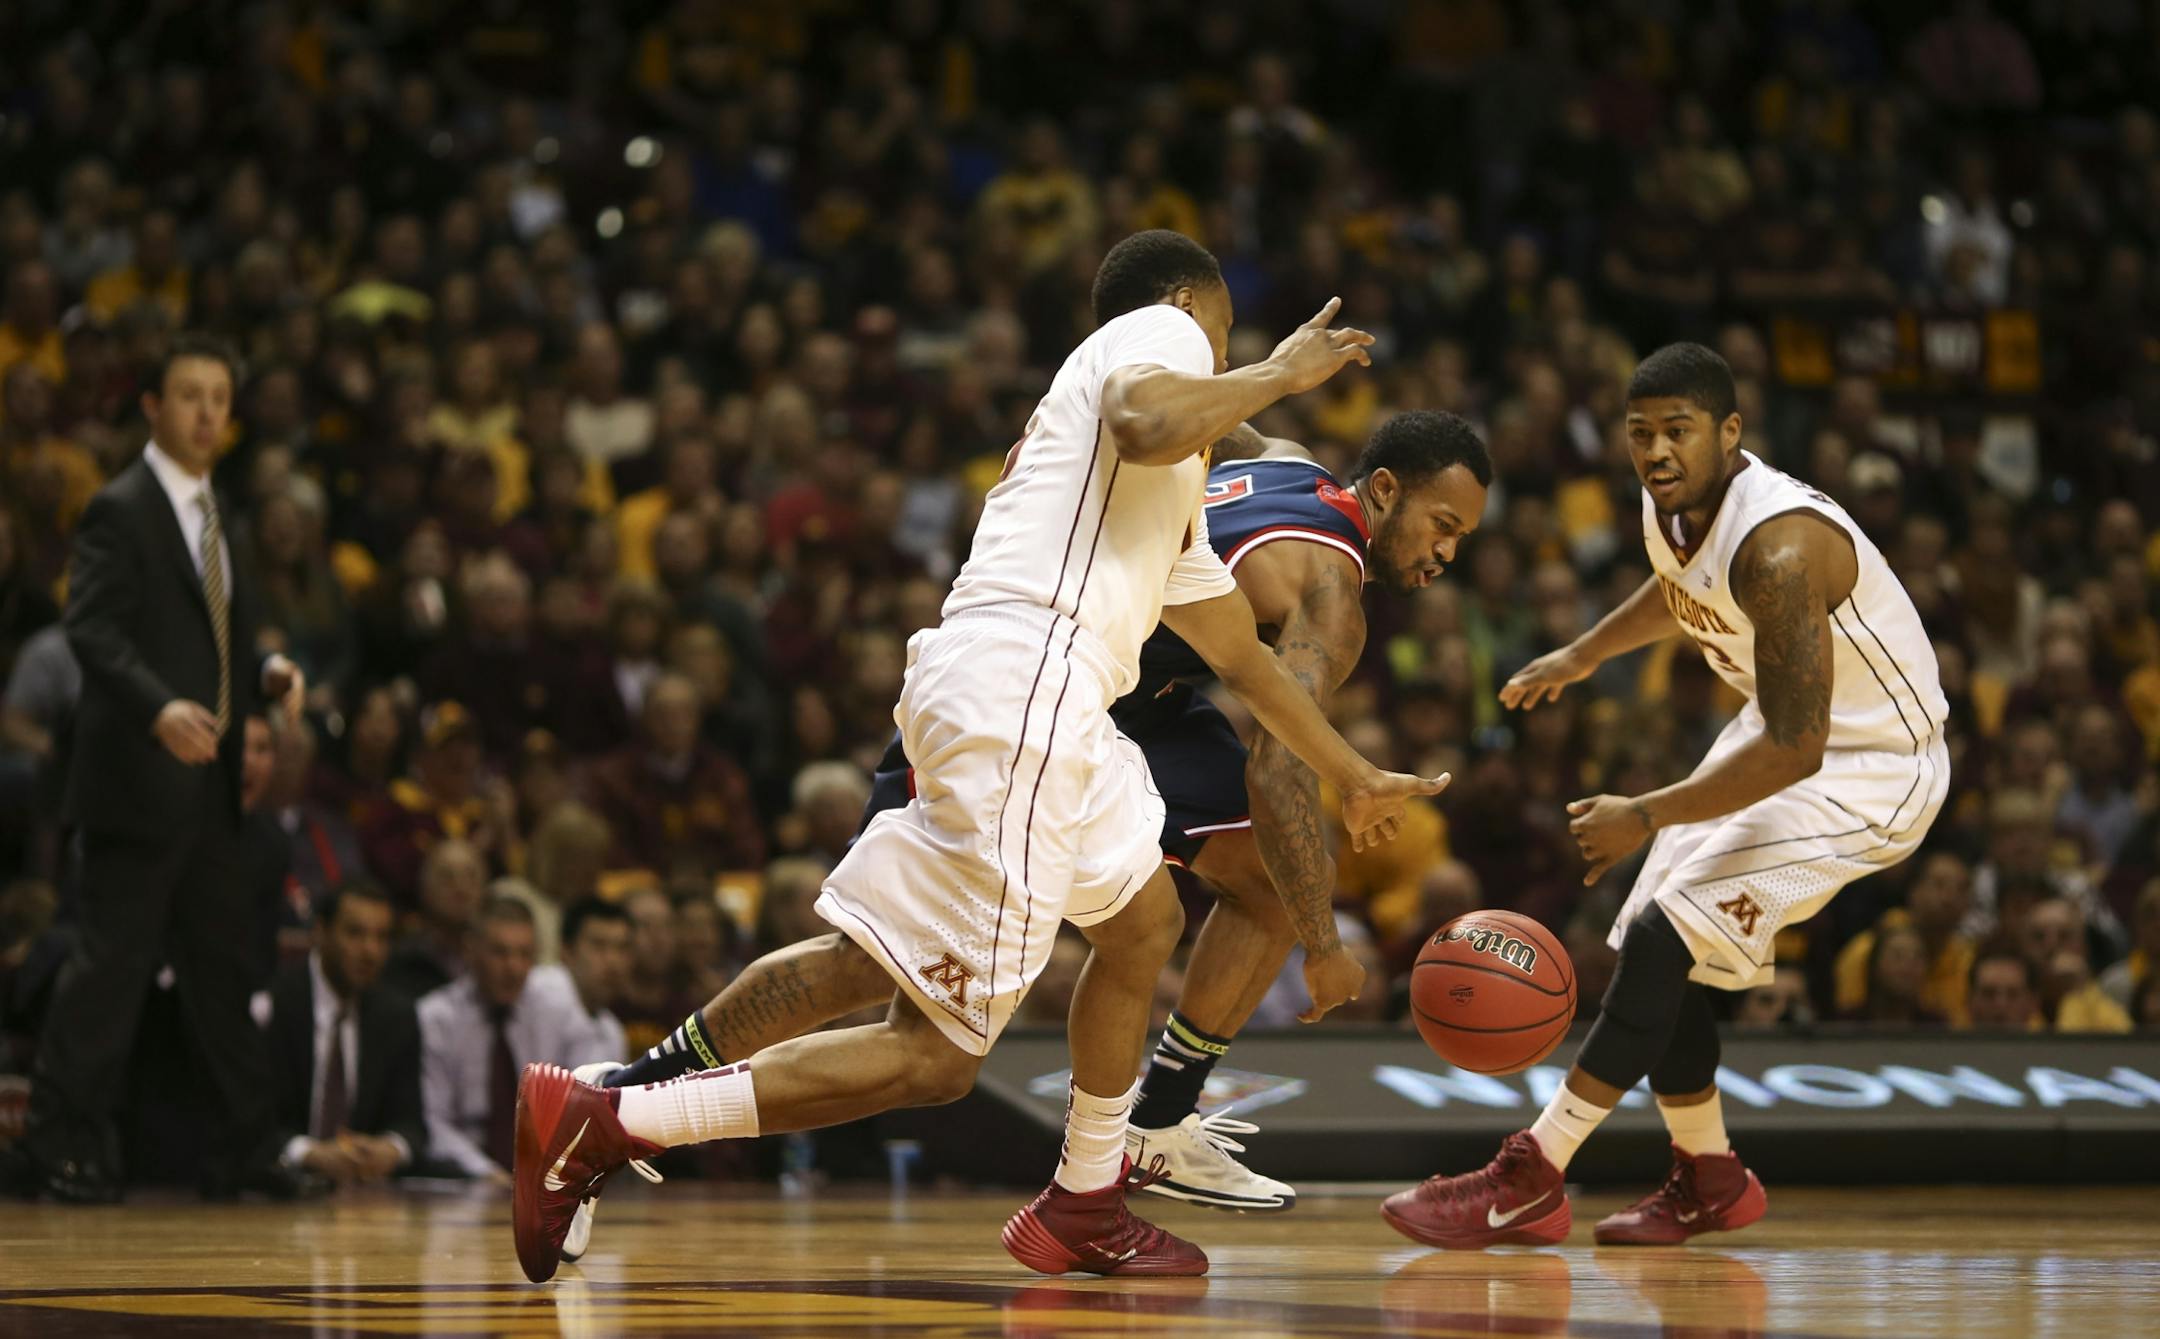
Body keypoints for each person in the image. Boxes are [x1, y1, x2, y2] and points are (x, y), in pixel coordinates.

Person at [510, 229, 1441, 1283]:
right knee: (939, 1056)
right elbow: (1148, 417)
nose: (1216, 358)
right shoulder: (1161, 333)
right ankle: (615, 1119)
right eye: (1219, 336)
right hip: (1025, 696)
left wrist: (1352, 770)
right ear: (1189, 305)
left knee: (1141, 922)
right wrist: (1275, 370)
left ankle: (1084, 1197)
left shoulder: (1165, 489)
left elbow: (1245, 660)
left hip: (1051, 704)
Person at [591, 408, 1494, 1217]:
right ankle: (628, 1094)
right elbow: (1279, 770)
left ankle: (1156, 1124)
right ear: (1382, 490)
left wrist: (1257, 377)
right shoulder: (1333, 594)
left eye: (1462, 537)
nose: (1446, 552)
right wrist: (1327, 948)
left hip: (1130, 699)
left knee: (1251, 882)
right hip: (1031, 696)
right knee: (880, 984)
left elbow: (1215, 418)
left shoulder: (1287, 457)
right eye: (1442, 525)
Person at [1384, 343, 1949, 1249]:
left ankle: (1533, 1173)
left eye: (1678, 431)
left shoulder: (1782, 547)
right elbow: (1678, 585)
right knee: (1653, 938)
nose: (1656, 451)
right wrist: (1586, 652)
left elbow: (1802, 751)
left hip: (1868, 770)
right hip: (1782, 734)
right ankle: (1711, 1176)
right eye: (1640, 432)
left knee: (1662, 931)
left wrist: (1646, 811)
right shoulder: (1675, 504)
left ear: (1731, 432)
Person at [19, 334, 312, 1203]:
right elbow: (92, 629)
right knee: (110, 967)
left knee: (224, 974)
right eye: (189, 395)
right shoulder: (121, 507)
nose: (207, 412)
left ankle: (246, 1150)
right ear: (152, 405)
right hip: (138, 781)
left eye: (220, 397)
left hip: (210, 786)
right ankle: (55, 1143)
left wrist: (269, 675)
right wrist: (157, 707)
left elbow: (233, 637)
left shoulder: (221, 516)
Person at [417, 896, 617, 1181]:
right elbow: (432, 1121)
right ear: (470, 950)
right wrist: (486, 1173)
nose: (513, 967)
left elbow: (587, 1101)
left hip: (548, 1179)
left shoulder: (557, 1010)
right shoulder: (436, 1018)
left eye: (524, 955)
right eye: (500, 953)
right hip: (461, 1179)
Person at [263, 883, 425, 1187]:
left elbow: (411, 1123)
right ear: (320, 932)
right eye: (355, 934)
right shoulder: (276, 1003)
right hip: (273, 1191)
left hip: (361, 1202)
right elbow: (252, 1120)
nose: (370, 951)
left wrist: (390, 1148)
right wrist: (309, 1153)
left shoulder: (397, 1015)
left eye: (381, 937)